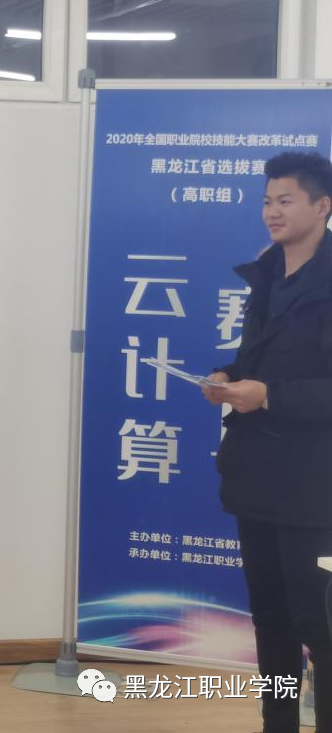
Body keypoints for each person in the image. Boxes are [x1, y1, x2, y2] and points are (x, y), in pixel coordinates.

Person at [203, 151, 332, 733]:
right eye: (266, 201)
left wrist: (269, 395)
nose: (272, 212)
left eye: (285, 200)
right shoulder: (266, 273)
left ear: (322, 206)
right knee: (270, 619)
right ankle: (276, 725)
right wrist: (229, 378)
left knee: (319, 626)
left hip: (313, 484)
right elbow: (260, 361)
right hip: (256, 475)